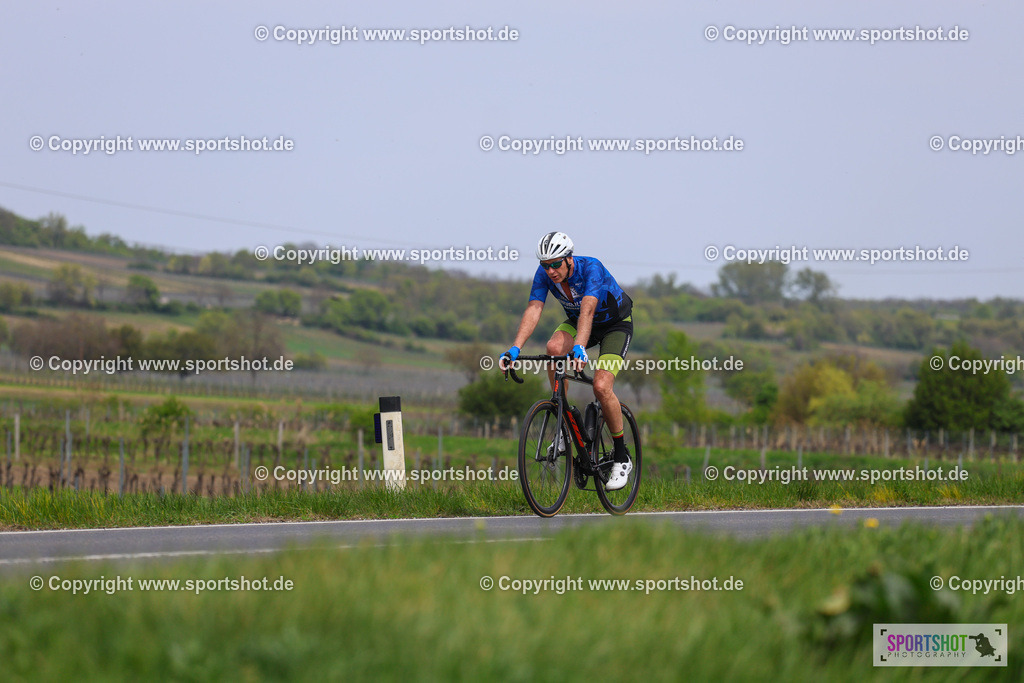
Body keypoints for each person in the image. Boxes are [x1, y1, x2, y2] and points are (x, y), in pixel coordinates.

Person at [499, 231, 634, 490]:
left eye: (555, 264)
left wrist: (581, 347)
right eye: (544, 265)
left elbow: (588, 309)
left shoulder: (591, 268)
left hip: (614, 325)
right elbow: (534, 308)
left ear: (569, 259)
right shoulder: (545, 274)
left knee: (602, 386)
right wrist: (515, 349)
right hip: (578, 322)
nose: (550, 271)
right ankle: (562, 420)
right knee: (553, 348)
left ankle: (621, 456)